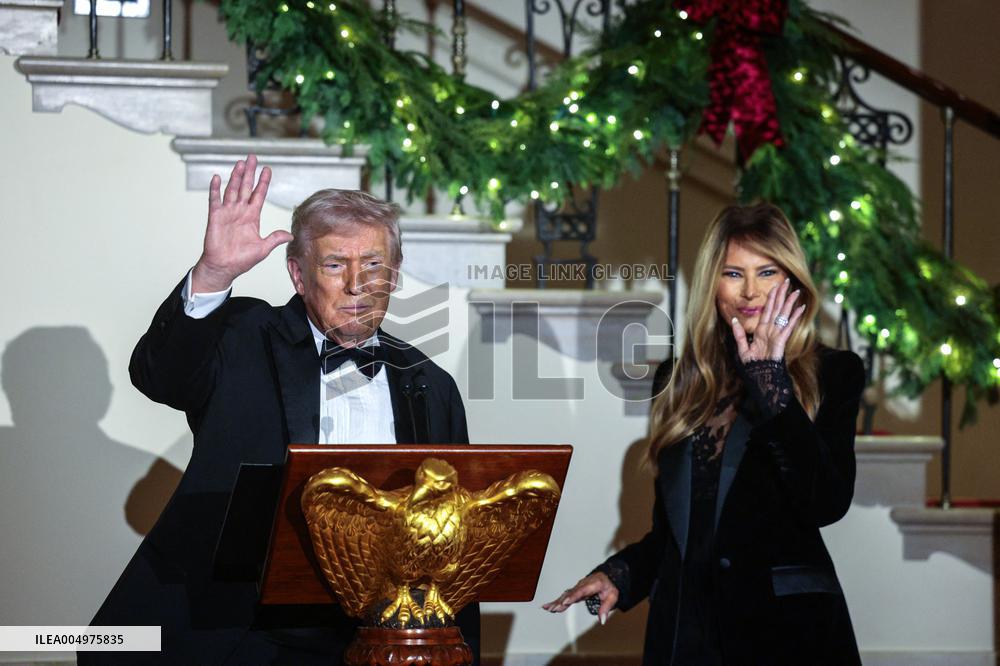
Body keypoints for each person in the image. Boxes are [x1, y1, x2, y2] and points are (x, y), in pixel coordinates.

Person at [82, 155, 479, 664]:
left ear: (394, 276)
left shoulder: (429, 384)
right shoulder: (244, 335)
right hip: (233, 630)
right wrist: (213, 273)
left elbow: (456, 542)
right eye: (335, 264)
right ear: (297, 273)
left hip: (369, 638)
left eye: (374, 265)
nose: (357, 284)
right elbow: (160, 377)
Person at [543, 203, 864, 665]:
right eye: (733, 273)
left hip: (788, 638)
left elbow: (826, 503)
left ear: (791, 281)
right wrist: (621, 575)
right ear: (712, 283)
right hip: (688, 637)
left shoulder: (833, 372)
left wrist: (771, 382)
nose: (750, 290)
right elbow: (678, 533)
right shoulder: (677, 381)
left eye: (767, 271)